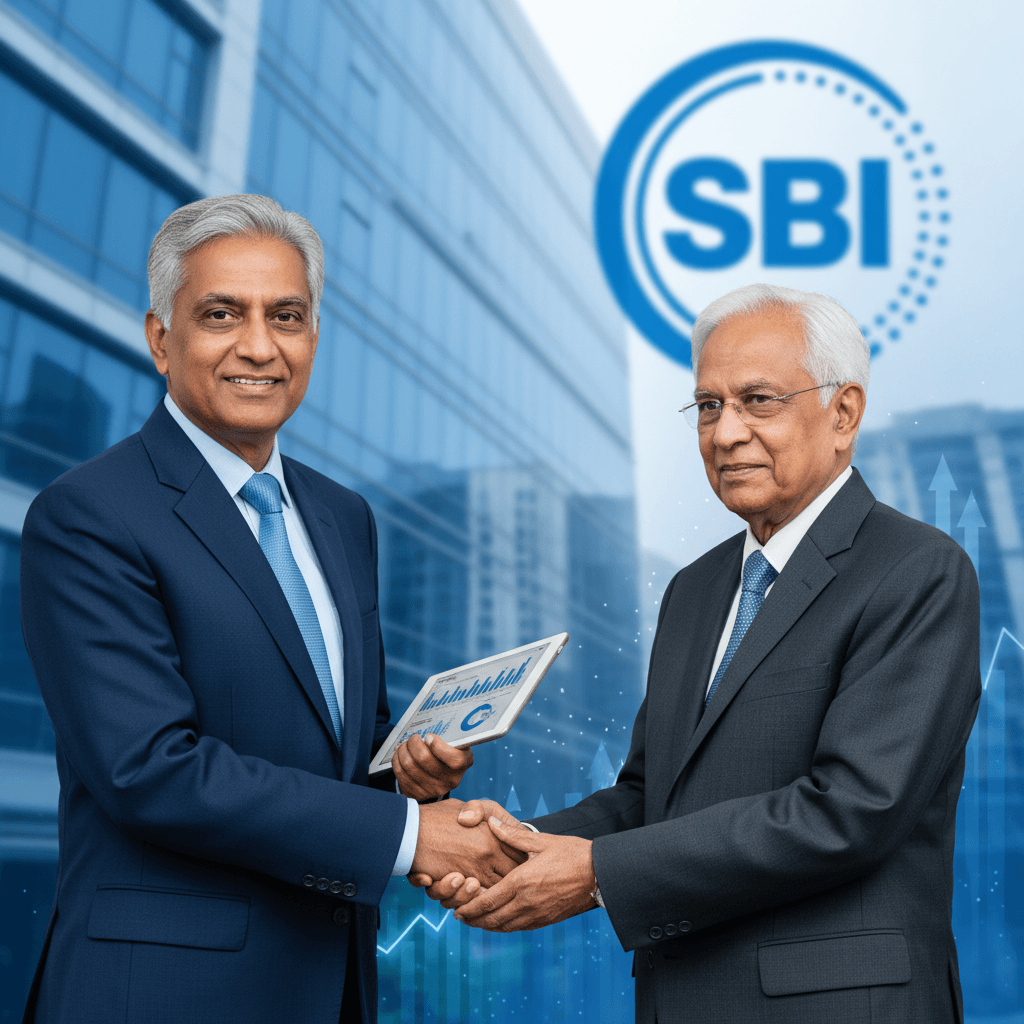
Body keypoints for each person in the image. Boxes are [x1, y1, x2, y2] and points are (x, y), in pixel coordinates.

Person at [417, 283, 981, 1023]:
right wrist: (513, 846)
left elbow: (852, 811)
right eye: (708, 406)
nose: (725, 433)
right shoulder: (697, 588)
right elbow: (649, 797)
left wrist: (594, 875)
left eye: (758, 401)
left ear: (843, 413)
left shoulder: (916, 570)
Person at [18, 194, 517, 1024]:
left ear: (314, 338)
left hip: (329, 984)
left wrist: (408, 776)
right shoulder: (89, 514)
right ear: (159, 338)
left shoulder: (342, 516)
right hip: (163, 995)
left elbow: (337, 750)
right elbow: (148, 769)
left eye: (286, 315)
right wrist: (410, 837)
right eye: (221, 314)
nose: (259, 345)